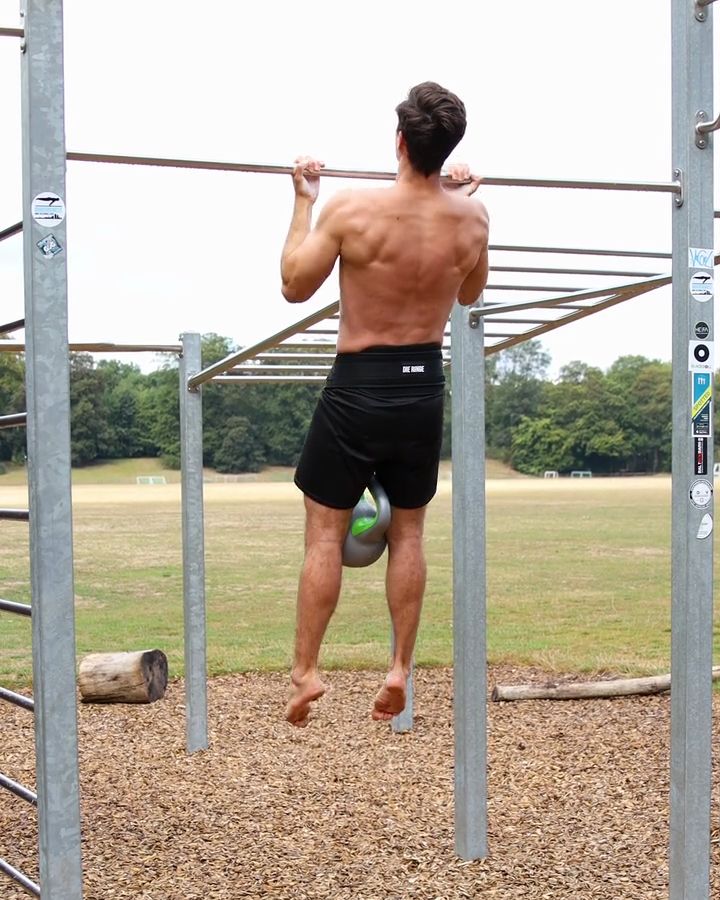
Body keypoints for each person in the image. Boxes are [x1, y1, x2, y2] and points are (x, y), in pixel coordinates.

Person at [280, 81, 489, 727]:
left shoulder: (351, 210)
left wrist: (302, 202)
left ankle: (308, 672)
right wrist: (454, 199)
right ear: (448, 146)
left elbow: (292, 284)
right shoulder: (473, 218)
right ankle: (399, 665)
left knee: (324, 534)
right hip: (422, 384)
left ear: (399, 140)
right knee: (410, 533)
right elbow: (470, 294)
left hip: (359, 384)